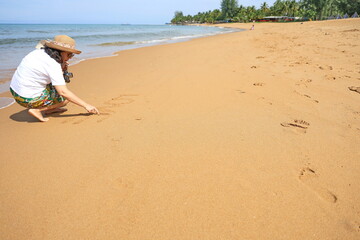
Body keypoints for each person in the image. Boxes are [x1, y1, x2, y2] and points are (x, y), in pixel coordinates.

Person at [10, 35, 99, 122]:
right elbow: (63, 92)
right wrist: (86, 105)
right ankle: (38, 110)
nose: (70, 58)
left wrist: (62, 66)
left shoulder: (38, 52)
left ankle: (50, 109)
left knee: (56, 88)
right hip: (27, 99)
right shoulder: (53, 65)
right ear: (61, 52)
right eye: (69, 55)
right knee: (65, 99)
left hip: (15, 91)